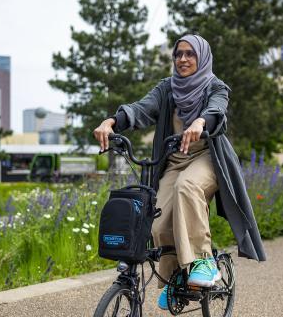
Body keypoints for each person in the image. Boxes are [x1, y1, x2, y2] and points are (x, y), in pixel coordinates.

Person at [93, 34, 266, 310]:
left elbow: (217, 111)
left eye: (190, 54)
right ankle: (176, 280)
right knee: (158, 222)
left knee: (187, 187)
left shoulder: (216, 87)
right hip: (173, 160)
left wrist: (200, 121)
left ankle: (203, 262)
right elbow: (141, 108)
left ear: (202, 57)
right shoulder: (167, 88)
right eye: (178, 54)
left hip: (207, 158)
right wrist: (112, 121)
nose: (183, 59)